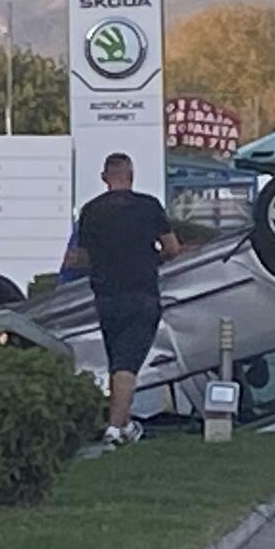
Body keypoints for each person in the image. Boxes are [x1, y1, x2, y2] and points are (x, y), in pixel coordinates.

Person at [66, 153, 182, 448]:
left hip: (106, 296)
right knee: (127, 365)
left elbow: (82, 258)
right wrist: (153, 258)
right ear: (131, 175)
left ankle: (125, 424)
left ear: (104, 177)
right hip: (141, 293)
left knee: (117, 360)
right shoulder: (149, 206)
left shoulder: (91, 211)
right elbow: (172, 248)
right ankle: (115, 429)